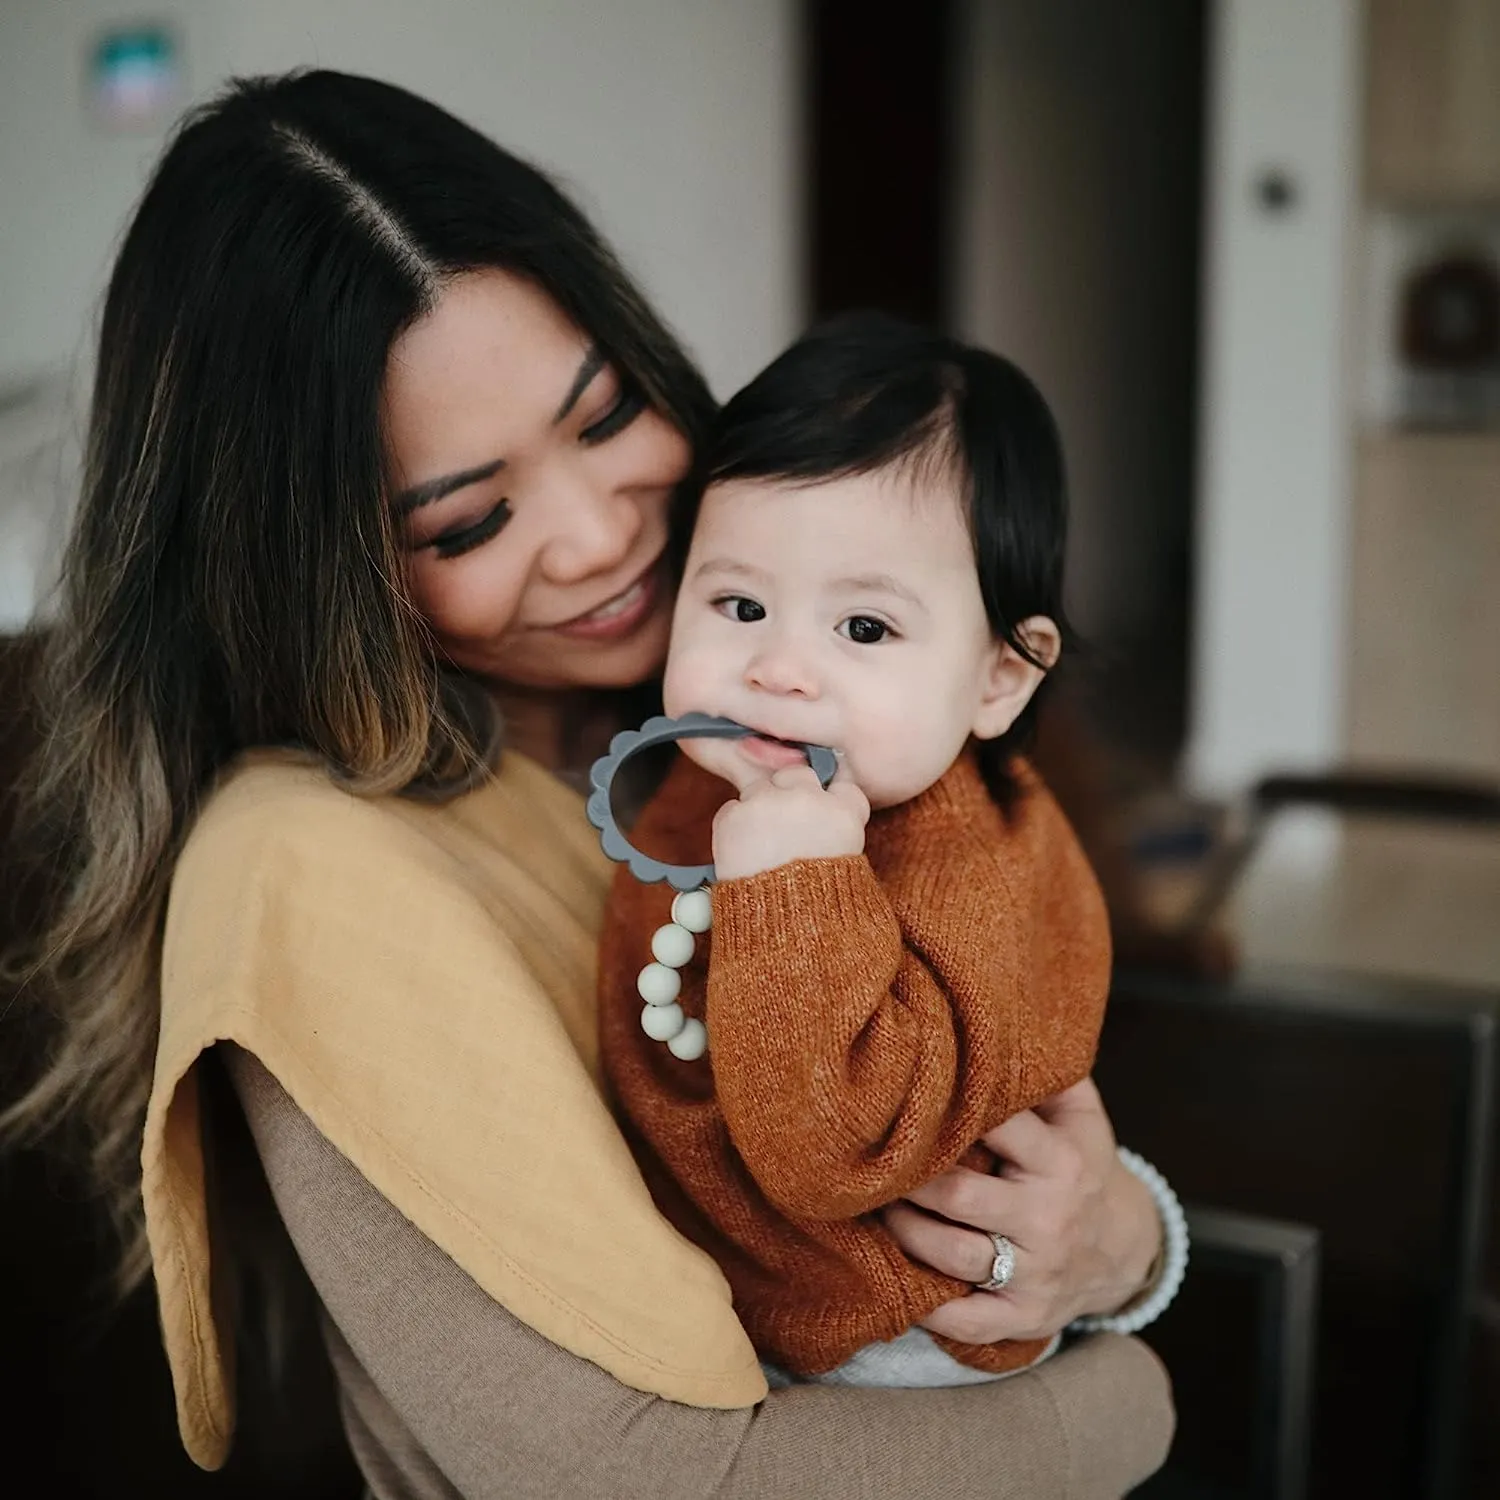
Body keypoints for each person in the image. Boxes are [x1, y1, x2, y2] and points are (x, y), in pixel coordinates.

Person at [2, 70, 1174, 1498]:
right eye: (471, 515)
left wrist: (1126, 1238)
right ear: (307, 570)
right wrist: (1129, 1406)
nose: (600, 535)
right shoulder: (308, 874)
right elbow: (629, 1476)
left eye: (608, 414)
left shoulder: (776, 679)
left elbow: (1038, 1100)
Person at [599, 314, 1182, 1392]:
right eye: (739, 603)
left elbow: (834, 1150)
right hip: (754, 1289)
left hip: (892, 1329)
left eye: (863, 630)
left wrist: (792, 887)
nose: (778, 667)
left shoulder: (959, 868)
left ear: (1000, 679)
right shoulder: (729, 771)